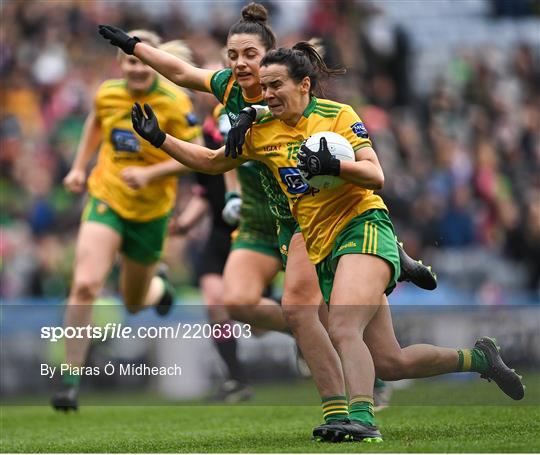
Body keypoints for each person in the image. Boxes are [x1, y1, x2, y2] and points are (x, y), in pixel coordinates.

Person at [130, 42, 525, 443]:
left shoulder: (338, 116)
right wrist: (161, 139)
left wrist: (334, 165)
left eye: (275, 85)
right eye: (263, 87)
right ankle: (479, 357)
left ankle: (361, 418)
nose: (266, 94)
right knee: (390, 361)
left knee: (341, 323)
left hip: (362, 226)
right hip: (320, 247)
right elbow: (211, 162)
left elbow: (376, 175)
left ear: (304, 84)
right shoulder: (262, 132)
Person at [51, 31, 202, 412]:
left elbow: (197, 156)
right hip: (108, 198)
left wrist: (151, 175)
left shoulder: (174, 101)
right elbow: (96, 123)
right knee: (85, 284)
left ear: (153, 61)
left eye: (142, 61)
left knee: (135, 303)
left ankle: (160, 288)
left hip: (150, 212)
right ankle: (70, 379)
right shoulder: (108, 93)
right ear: (121, 64)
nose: (136, 68)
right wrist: (78, 168)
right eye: (129, 61)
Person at [171, 105, 252, 402]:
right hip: (220, 232)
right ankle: (236, 376)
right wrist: (182, 224)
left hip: (256, 231)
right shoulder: (203, 137)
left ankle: (306, 340)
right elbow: (205, 193)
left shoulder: (252, 121)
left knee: (256, 318)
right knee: (215, 302)